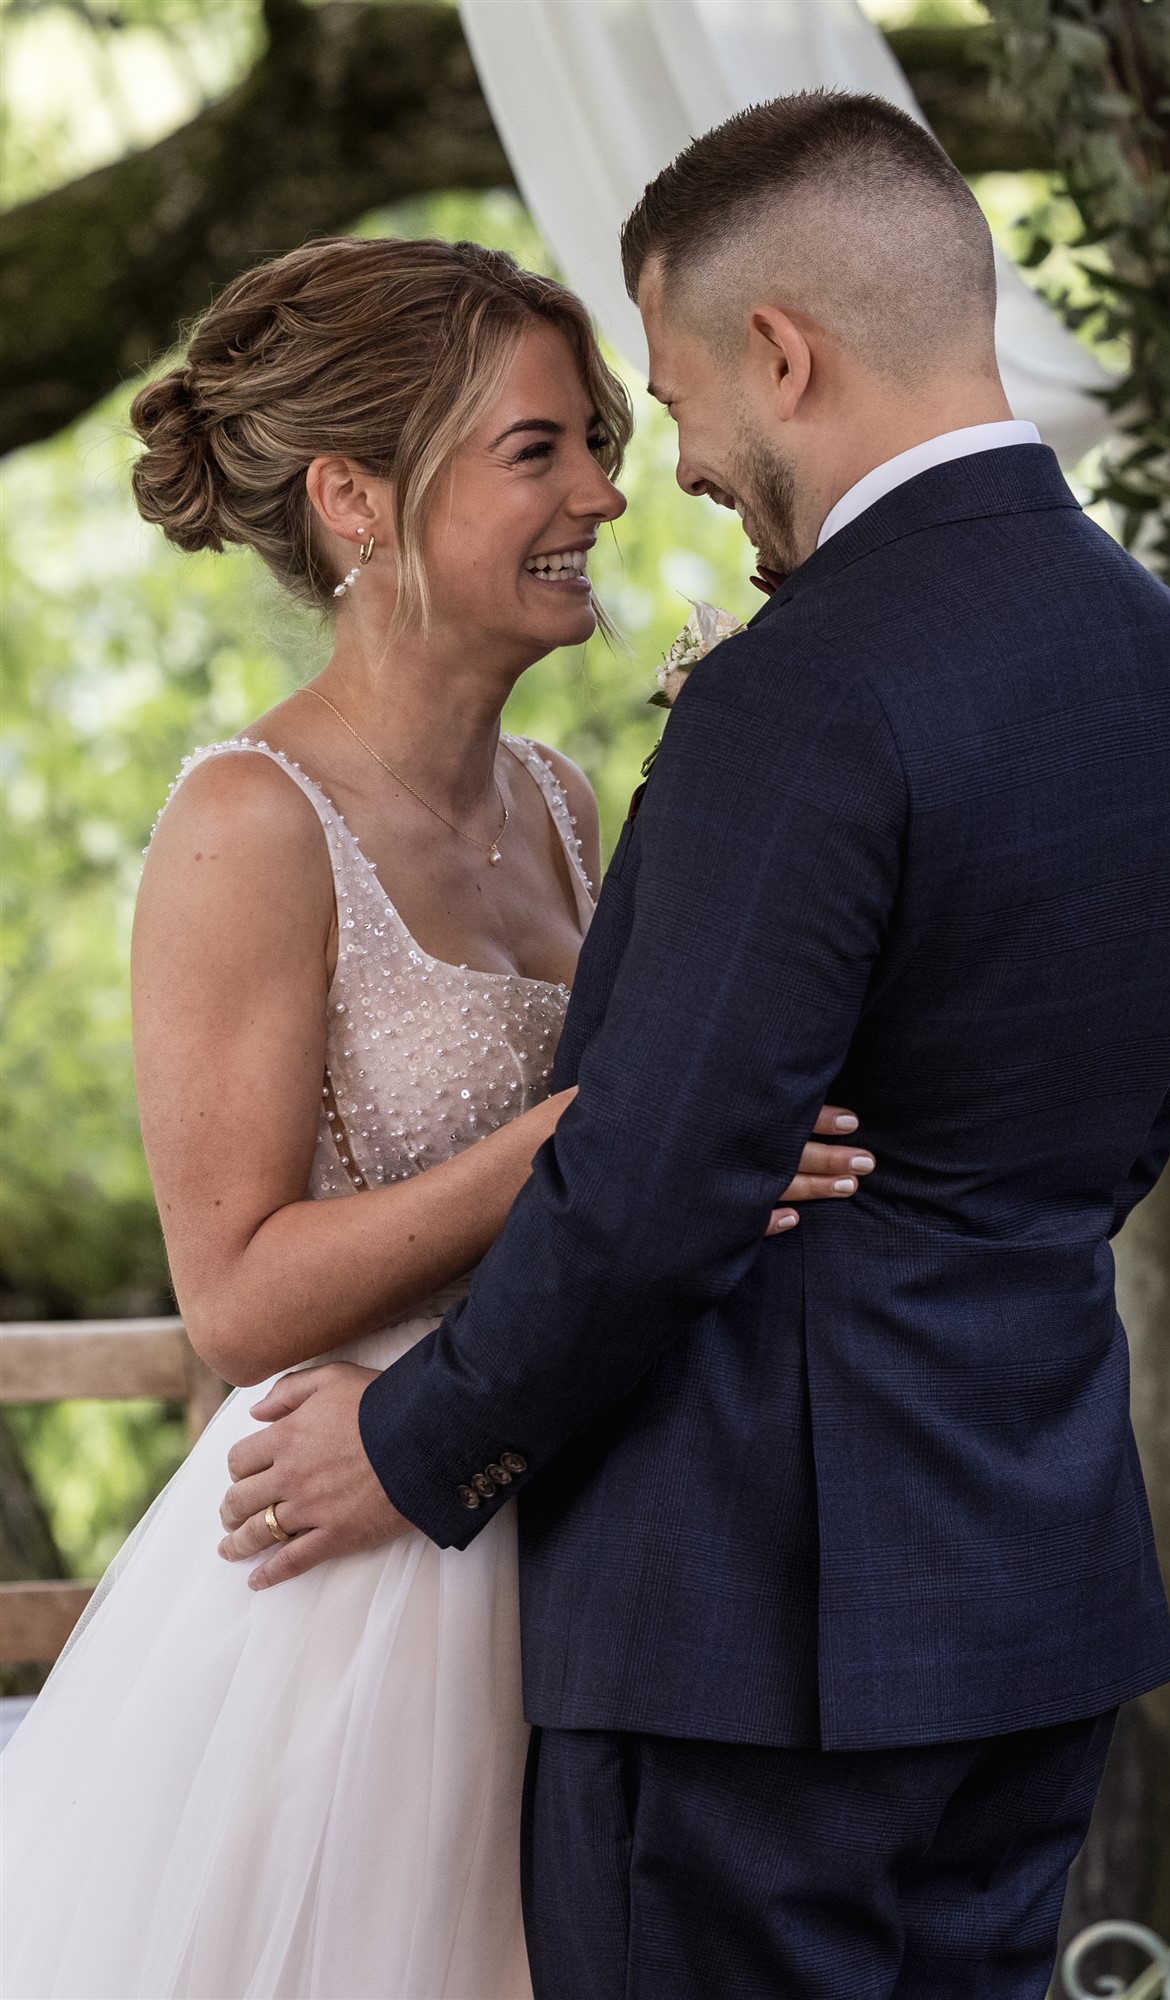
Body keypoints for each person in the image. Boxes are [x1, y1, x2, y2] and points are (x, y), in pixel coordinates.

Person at [221, 96, 1170, 1998]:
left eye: (674, 398)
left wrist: (412, 1443)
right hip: (1026, 1598)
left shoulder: (805, 690)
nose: (680, 467)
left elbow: (652, 1185)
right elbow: (1114, 1132)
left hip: (751, 1638)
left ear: (781, 352)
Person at [0, 233, 867, 2000]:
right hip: (352, 1587)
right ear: (355, 500)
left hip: (563, 1522)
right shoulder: (250, 822)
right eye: (538, 451)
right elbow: (233, 1296)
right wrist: (589, 1139)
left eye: (605, 445)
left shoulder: (563, 798)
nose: (607, 501)